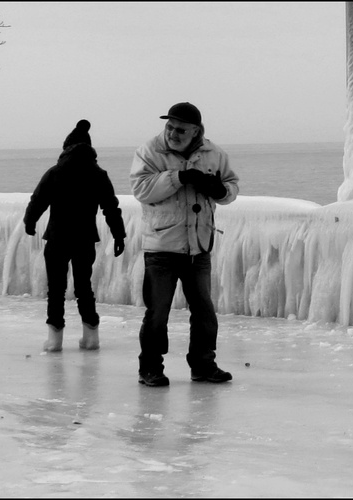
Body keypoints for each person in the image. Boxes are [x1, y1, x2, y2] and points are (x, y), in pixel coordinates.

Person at [129, 102, 239, 387]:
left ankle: (203, 365)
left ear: (196, 132)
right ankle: (150, 368)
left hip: (199, 246)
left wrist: (220, 190)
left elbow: (231, 186)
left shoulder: (214, 154)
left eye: (180, 129)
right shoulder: (150, 152)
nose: (173, 133)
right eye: (169, 127)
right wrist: (179, 177)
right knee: (157, 312)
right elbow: (141, 189)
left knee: (204, 312)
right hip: (161, 246)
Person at [23, 119, 126, 352]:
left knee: (56, 289)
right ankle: (91, 338)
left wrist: (30, 222)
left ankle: (54, 340)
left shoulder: (55, 172)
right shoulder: (98, 174)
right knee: (83, 287)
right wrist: (119, 235)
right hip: (84, 239)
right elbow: (111, 207)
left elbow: (37, 200)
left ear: (66, 148)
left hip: (57, 238)